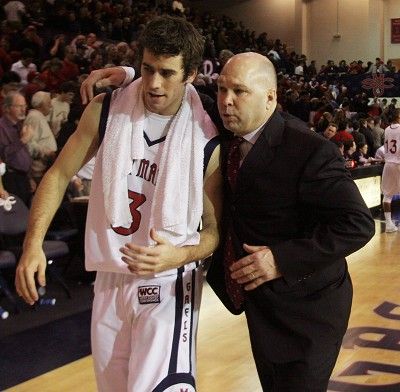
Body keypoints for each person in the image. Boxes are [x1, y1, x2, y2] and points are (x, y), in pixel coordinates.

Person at [81, 53, 375, 391]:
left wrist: (280, 259)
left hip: (308, 309)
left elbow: (357, 224)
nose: (226, 101)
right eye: (221, 90)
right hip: (261, 303)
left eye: (239, 91)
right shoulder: (229, 122)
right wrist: (131, 74)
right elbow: (181, 87)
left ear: (270, 97)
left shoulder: (310, 150)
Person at [15, 15, 221, 392]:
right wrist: (32, 246)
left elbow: (213, 231)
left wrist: (178, 256)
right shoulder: (106, 110)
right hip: (110, 276)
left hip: (168, 280)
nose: (154, 83)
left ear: (190, 74)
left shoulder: (207, 136)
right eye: (146, 69)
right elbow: (58, 175)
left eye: (167, 73)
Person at [0, 91, 34, 205]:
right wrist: (23, 140)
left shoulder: (20, 126)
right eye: (19, 106)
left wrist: (29, 177)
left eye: (24, 106)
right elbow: (3, 154)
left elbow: (24, 154)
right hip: (10, 179)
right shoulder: (1, 128)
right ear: (7, 108)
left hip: (23, 178)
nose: (23, 109)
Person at [381, 106, 400, 233]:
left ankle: (388, 224)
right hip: (398, 162)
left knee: (387, 195)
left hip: (388, 163)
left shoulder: (387, 129)